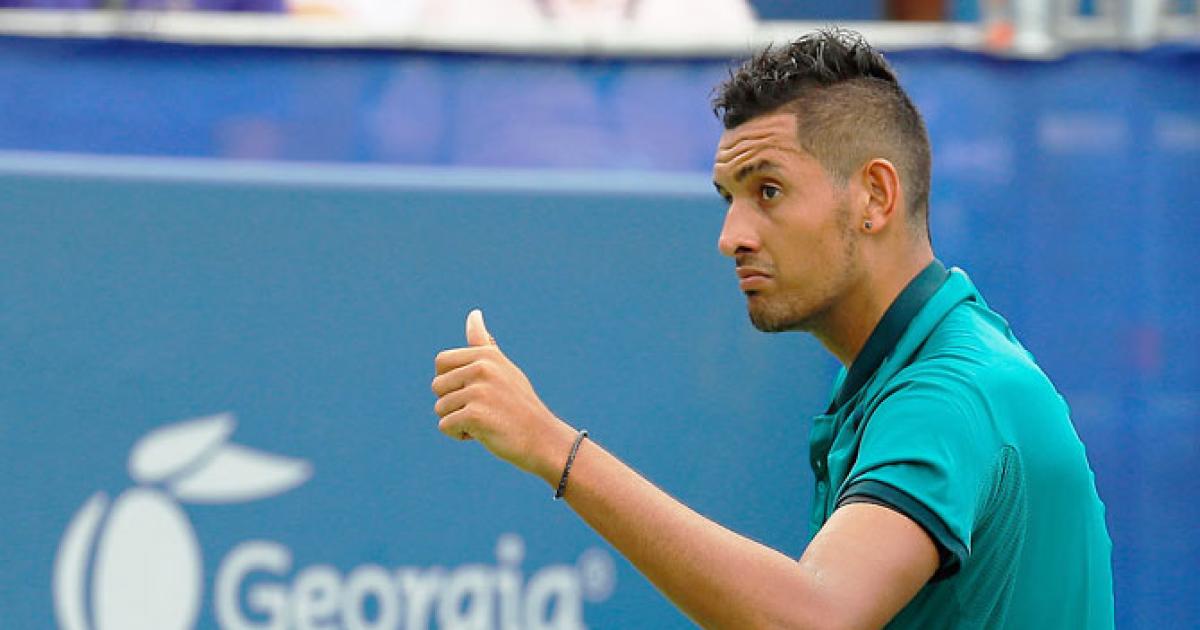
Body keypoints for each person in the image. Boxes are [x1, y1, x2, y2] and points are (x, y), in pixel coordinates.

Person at [431, 28, 1114, 628]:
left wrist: (552, 445)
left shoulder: (950, 394)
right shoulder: (898, 375)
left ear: (875, 196)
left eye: (769, 191)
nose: (731, 236)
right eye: (729, 198)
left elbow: (813, 618)